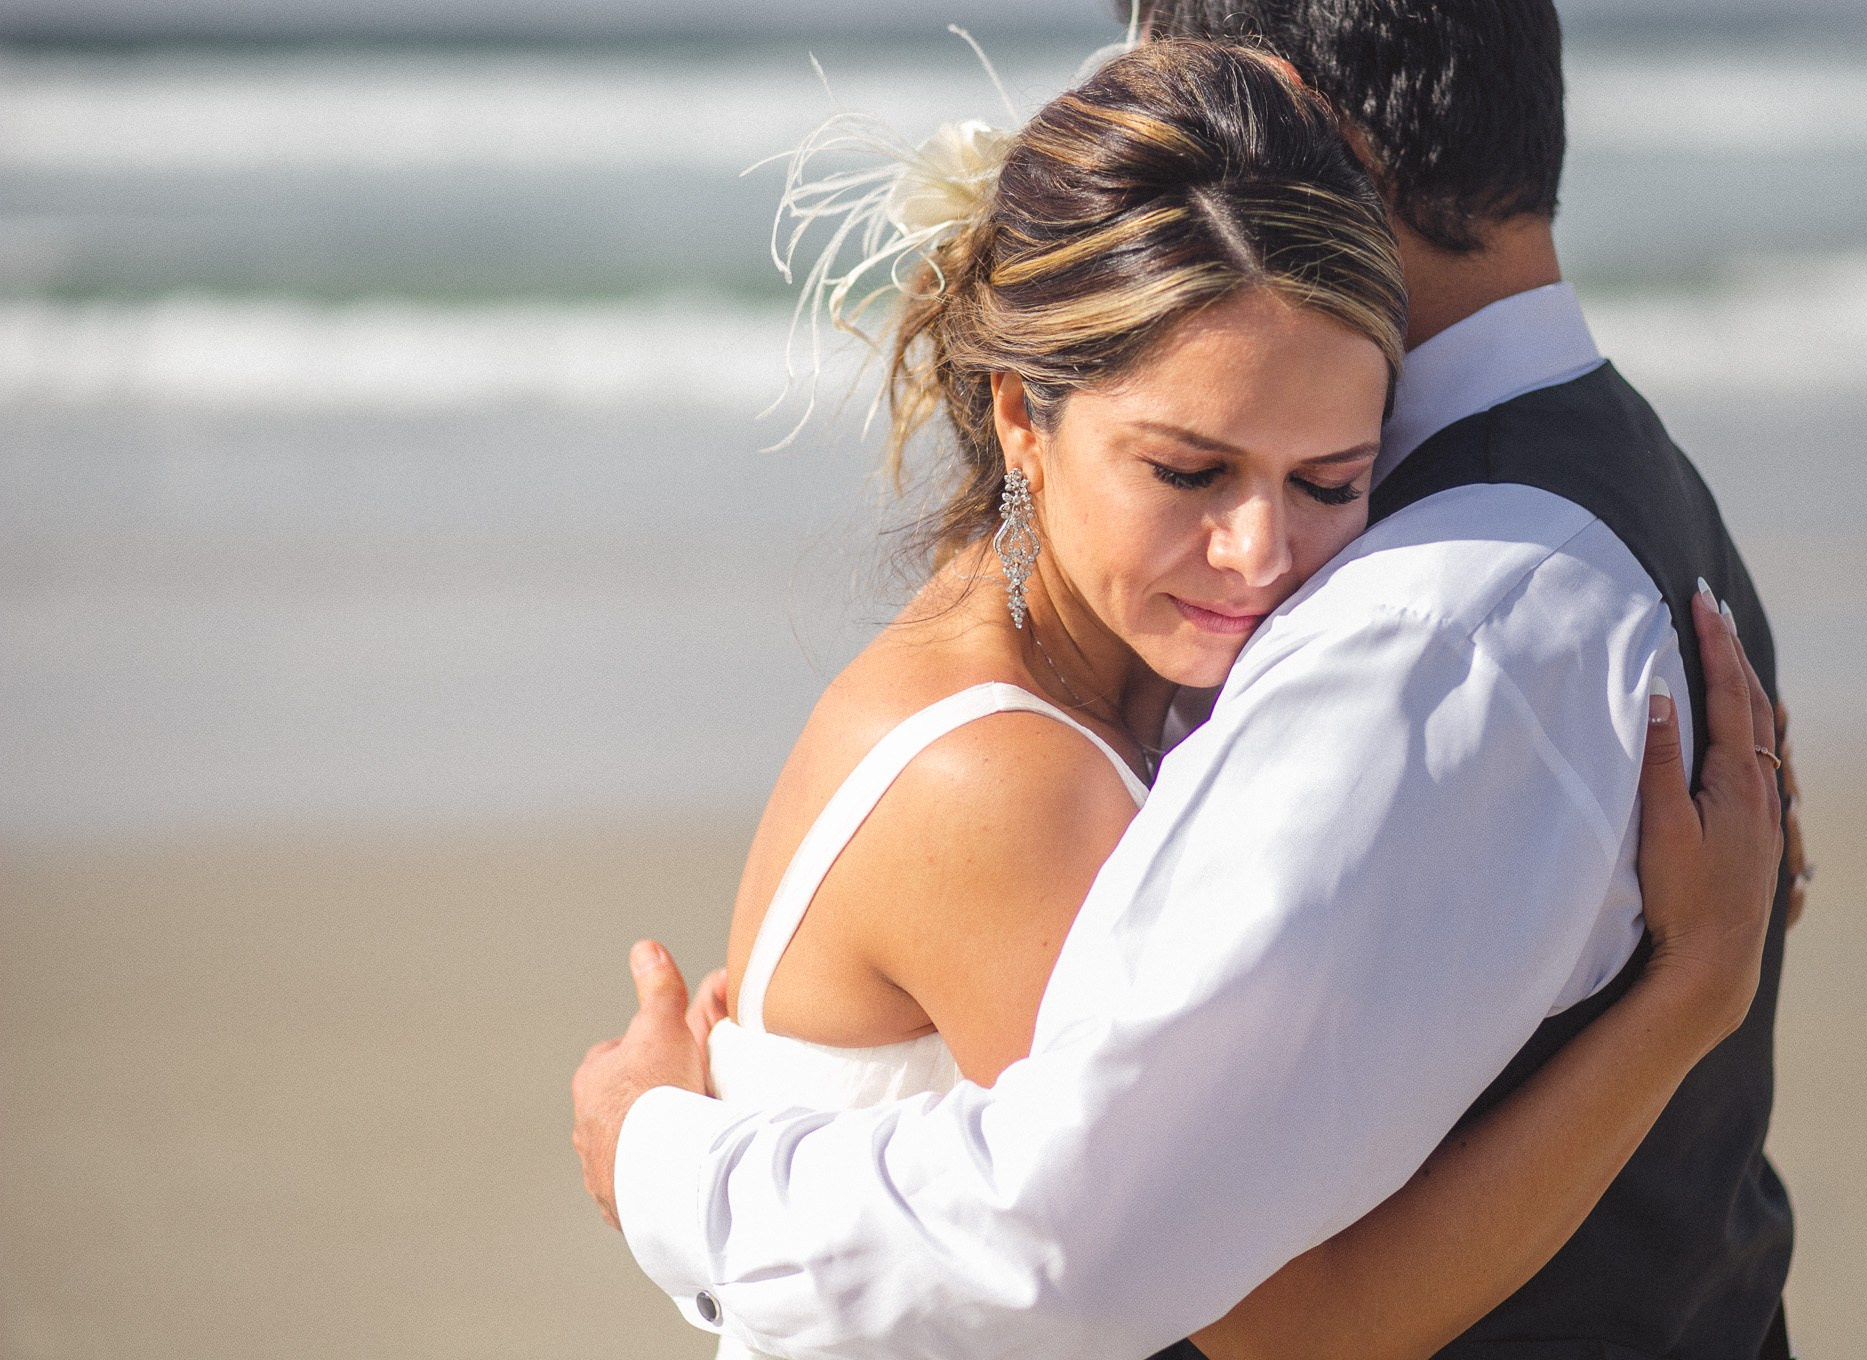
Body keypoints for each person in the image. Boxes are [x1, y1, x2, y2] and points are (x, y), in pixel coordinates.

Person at [571, 15, 1796, 1360]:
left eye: (1333, 479)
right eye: (1191, 470)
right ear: (1021, 416)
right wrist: (1688, 1001)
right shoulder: (1012, 777)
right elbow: (1241, 1311)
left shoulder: (1273, 643)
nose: (1264, 551)